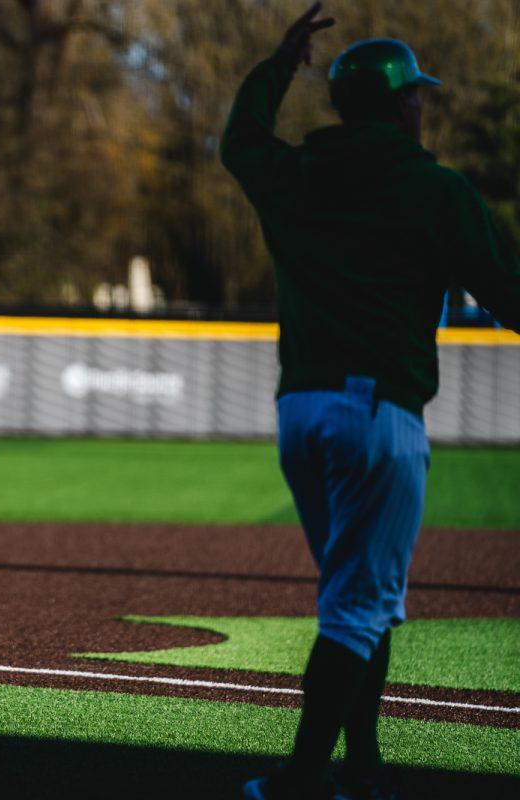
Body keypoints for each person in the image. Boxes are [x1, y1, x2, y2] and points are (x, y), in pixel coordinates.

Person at [220, 3, 520, 798]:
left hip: (301, 413)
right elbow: (511, 293)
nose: (422, 104)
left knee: (359, 592)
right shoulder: (436, 190)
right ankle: (305, 781)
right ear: (399, 104)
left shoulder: (297, 174)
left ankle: (364, 762)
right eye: (416, 94)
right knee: (359, 604)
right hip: (378, 415)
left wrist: (281, 62)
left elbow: (239, 142)